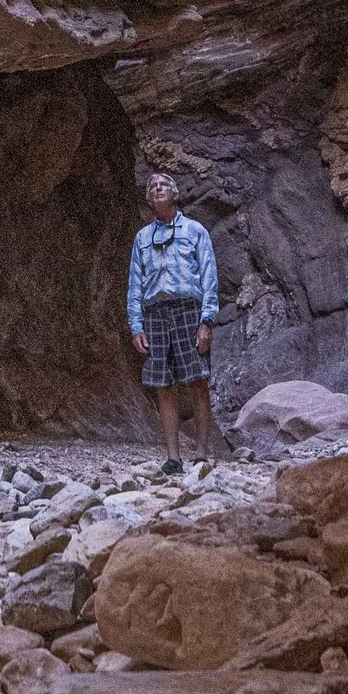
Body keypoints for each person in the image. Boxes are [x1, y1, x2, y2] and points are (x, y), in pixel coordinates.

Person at [127, 170, 218, 474]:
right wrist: (136, 325)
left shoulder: (195, 231)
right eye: (152, 187)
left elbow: (209, 276)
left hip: (188, 311)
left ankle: (202, 454)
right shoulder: (142, 238)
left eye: (164, 184)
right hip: (155, 315)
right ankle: (173, 458)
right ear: (149, 199)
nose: (158, 189)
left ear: (175, 194)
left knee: (197, 380)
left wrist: (207, 320)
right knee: (162, 386)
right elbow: (135, 285)